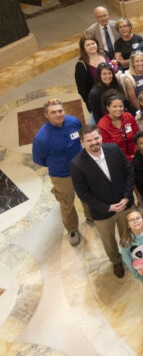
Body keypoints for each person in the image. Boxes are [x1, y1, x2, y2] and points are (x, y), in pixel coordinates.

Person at [71, 125, 134, 277]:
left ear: (101, 137)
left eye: (96, 138)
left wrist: (126, 196)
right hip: (103, 211)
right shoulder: (77, 164)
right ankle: (116, 261)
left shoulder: (113, 149)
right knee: (108, 240)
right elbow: (83, 194)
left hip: (125, 204)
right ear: (82, 142)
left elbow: (129, 171)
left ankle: (131, 256)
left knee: (128, 233)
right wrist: (108, 207)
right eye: (89, 140)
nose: (94, 142)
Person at [33, 99, 90, 246]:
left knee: (87, 194)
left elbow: (82, 139)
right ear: (46, 115)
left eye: (60, 111)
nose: (58, 114)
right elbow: (39, 160)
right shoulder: (41, 138)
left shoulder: (74, 122)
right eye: (54, 112)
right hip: (61, 175)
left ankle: (91, 216)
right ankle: (72, 229)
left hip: (81, 168)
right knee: (67, 203)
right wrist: (59, 164)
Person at [74, 35, 114, 110]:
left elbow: (114, 65)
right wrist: (91, 106)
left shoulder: (104, 53)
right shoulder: (81, 65)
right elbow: (82, 89)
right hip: (97, 100)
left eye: (93, 43)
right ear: (83, 48)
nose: (91, 46)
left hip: (113, 93)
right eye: (88, 45)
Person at [98, 95, 138, 161]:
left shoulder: (128, 116)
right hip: (117, 160)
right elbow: (108, 149)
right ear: (108, 107)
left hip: (136, 155)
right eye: (115, 107)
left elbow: (137, 135)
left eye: (120, 106)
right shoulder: (102, 125)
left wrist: (136, 153)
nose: (118, 109)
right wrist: (129, 158)